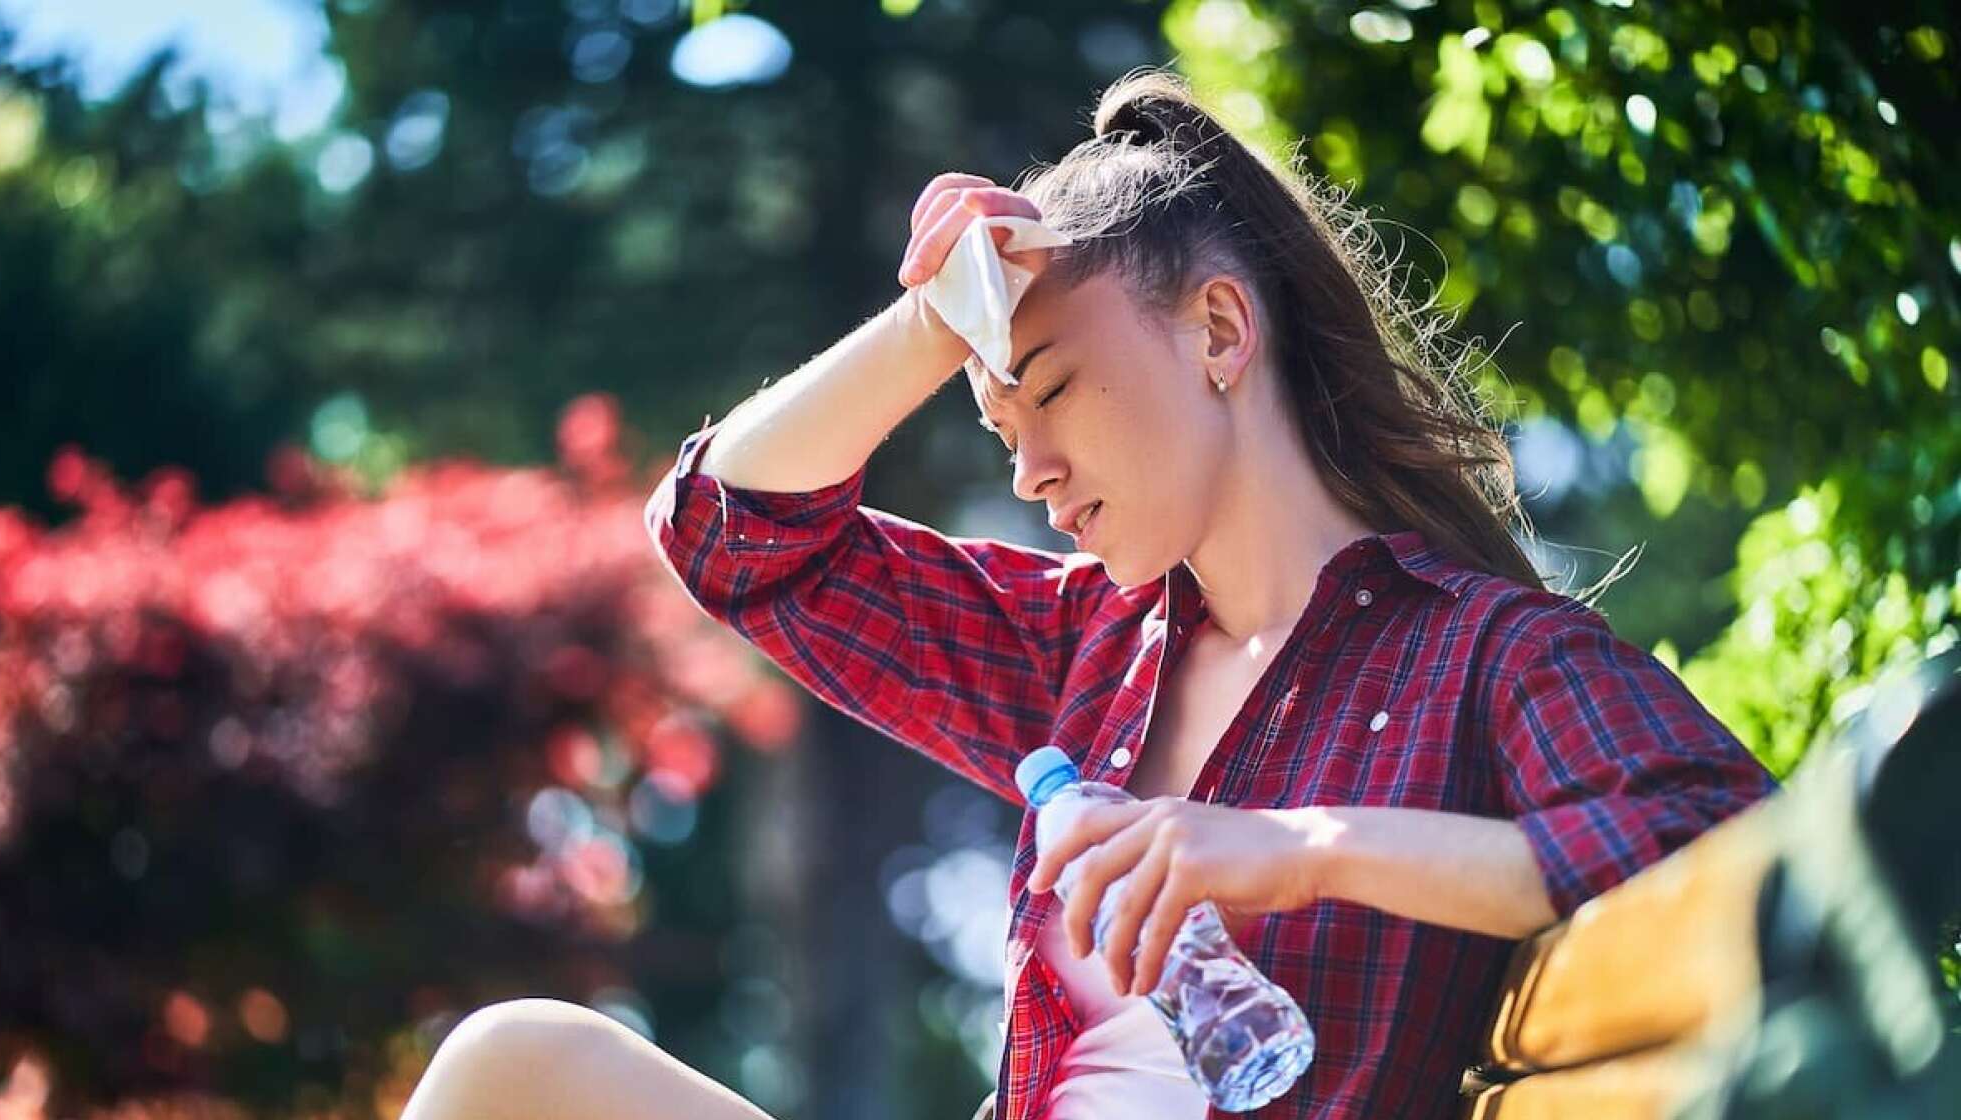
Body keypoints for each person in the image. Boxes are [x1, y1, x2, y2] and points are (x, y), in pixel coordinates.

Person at [398, 68, 1778, 1120]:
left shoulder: (1482, 656)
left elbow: (1727, 846)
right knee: (515, 1065)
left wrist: (1306, 849)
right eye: (1006, 428)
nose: (1037, 469)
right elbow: (730, 538)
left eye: (1053, 390)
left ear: (1222, 332)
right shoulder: (1089, 648)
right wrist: (937, 321)